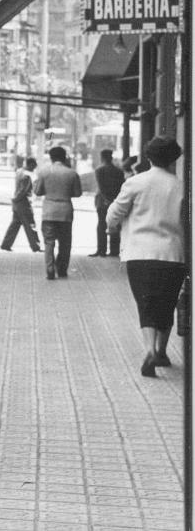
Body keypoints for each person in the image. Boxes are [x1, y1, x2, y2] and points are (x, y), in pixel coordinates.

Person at [106, 136, 185, 377]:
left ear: (149, 156)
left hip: (140, 253)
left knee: (146, 302)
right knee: (167, 301)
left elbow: (113, 215)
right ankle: (162, 350)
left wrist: (115, 227)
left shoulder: (135, 183)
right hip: (173, 254)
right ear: (173, 158)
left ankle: (149, 349)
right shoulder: (182, 186)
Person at [33, 145, 83, 280]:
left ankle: (49, 269)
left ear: (51, 157)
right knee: (65, 243)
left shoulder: (43, 172)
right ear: (64, 157)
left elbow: (37, 192)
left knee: (49, 242)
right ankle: (62, 270)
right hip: (65, 211)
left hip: (49, 211)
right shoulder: (72, 173)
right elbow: (78, 193)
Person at [0, 156, 42, 253]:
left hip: (17, 204)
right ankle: (36, 246)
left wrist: (14, 200)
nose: (35, 167)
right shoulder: (27, 176)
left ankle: (6, 244)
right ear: (30, 164)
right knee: (30, 224)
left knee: (14, 224)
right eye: (34, 165)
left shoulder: (19, 172)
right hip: (24, 203)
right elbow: (23, 191)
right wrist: (16, 199)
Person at [90, 148, 126, 259]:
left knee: (101, 225)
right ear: (111, 157)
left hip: (102, 201)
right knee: (114, 224)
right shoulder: (119, 171)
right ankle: (114, 250)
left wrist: (106, 199)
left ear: (102, 157)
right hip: (115, 200)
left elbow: (101, 186)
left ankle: (101, 250)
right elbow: (121, 186)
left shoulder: (99, 170)